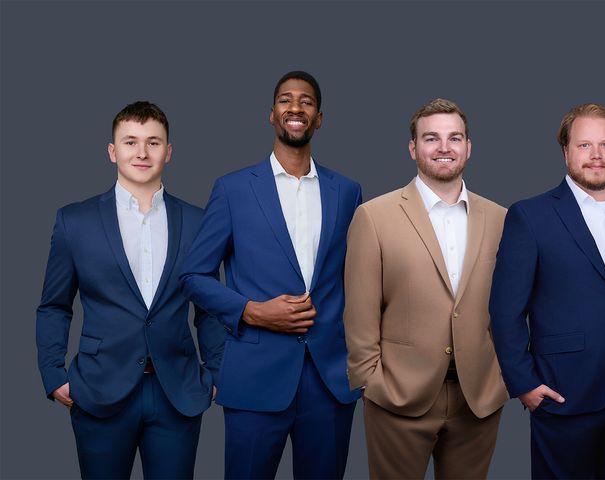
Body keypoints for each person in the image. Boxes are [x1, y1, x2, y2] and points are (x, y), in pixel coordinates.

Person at [179, 70, 365, 479]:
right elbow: (194, 276)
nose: (295, 107)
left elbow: (361, 280)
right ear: (272, 114)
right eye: (285, 99)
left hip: (330, 380)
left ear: (319, 118)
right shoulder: (233, 189)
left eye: (306, 101)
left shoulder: (348, 192)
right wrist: (251, 311)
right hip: (255, 377)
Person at [36, 101, 218, 479]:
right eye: (131, 141)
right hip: (99, 390)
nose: (141, 152)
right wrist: (53, 374)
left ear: (168, 152)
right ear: (112, 151)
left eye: (153, 142)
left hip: (177, 393)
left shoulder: (199, 221)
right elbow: (54, 305)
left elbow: (210, 307)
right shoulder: (75, 221)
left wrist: (217, 372)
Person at [489, 103, 605, 478]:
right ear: (565, 151)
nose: (596, 156)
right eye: (584, 146)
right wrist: (525, 384)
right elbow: (505, 311)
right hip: (561, 393)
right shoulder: (530, 216)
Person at [344, 98, 509, 478]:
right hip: (398, 396)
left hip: (478, 397)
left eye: (455, 138)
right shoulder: (374, 216)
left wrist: (500, 376)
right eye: (431, 138)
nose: (444, 148)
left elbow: (509, 306)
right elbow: (360, 312)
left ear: (469, 147)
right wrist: (371, 381)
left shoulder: (501, 218)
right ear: (413, 148)